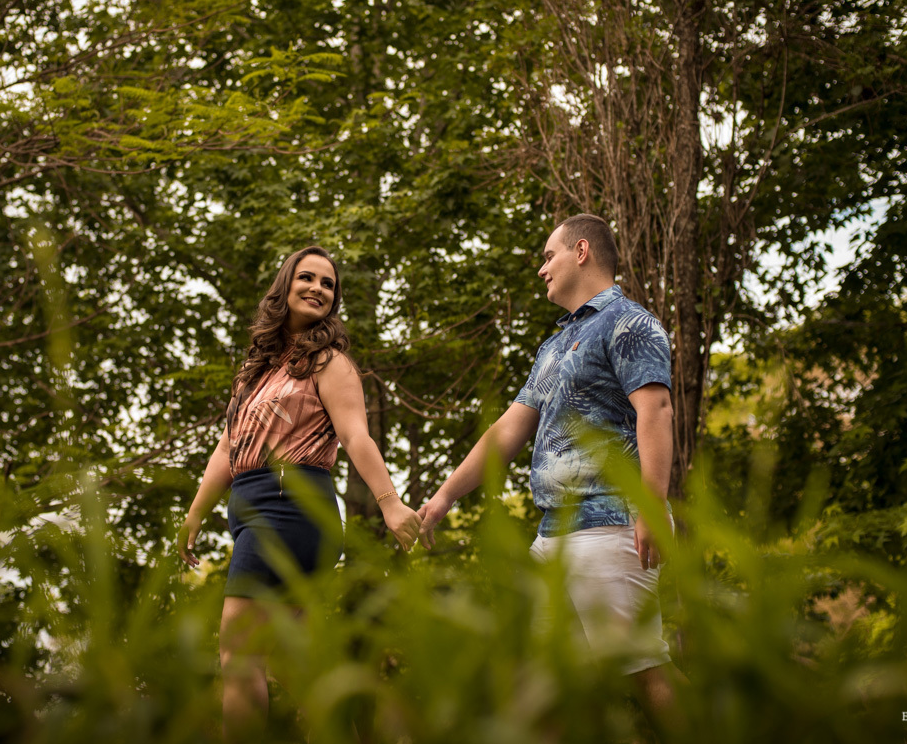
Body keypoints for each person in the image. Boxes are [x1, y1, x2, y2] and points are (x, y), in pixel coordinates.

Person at [417, 214, 685, 732]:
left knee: (642, 671)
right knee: (546, 683)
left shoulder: (629, 322)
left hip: (609, 523)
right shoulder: (557, 344)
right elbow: (508, 429)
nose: (541, 269)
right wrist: (445, 496)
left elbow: (656, 409)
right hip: (552, 536)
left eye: (548, 256)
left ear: (581, 252)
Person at [177, 245, 421, 742]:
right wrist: (195, 514)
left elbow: (356, 436)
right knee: (293, 663)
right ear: (284, 286)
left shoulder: (329, 363)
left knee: (239, 653)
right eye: (307, 277)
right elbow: (227, 447)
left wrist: (390, 503)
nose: (317, 288)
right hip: (253, 510)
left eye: (328, 284)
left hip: (289, 506)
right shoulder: (254, 371)